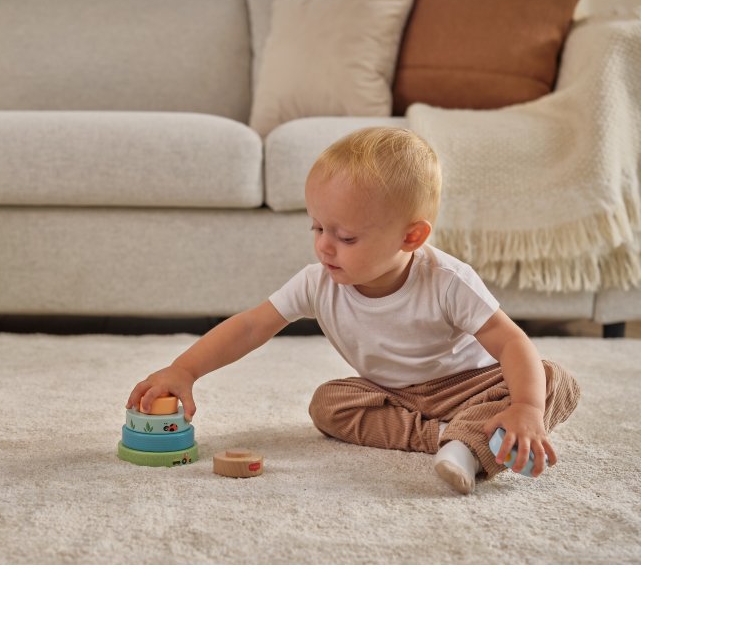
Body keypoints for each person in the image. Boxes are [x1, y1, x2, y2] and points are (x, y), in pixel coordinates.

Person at [126, 126, 581, 495]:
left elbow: (510, 342)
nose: (325, 246)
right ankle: (452, 438)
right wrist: (184, 369)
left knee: (551, 379)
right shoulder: (317, 281)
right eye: (317, 227)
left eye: (345, 238)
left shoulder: (446, 280)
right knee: (329, 404)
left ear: (411, 238)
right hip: (392, 394)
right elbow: (250, 327)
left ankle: (469, 445)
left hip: (469, 386)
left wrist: (526, 406)